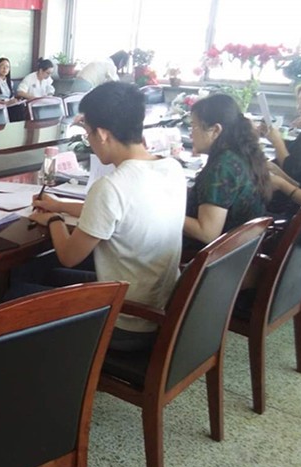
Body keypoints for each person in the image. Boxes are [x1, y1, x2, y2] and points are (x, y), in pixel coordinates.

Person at [21, 82, 186, 352]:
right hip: (158, 308)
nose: (89, 141)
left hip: (124, 322)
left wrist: (53, 220)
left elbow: (69, 255)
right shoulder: (171, 168)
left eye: (87, 133)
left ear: (102, 134)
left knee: (15, 294)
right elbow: (120, 213)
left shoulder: (111, 186)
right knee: (50, 274)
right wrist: (59, 205)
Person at [184, 94, 271, 247]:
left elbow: (207, 233)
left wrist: (166, 212)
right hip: (240, 250)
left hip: (213, 254)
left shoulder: (222, 167)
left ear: (215, 130)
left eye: (194, 126)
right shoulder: (243, 154)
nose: (190, 133)